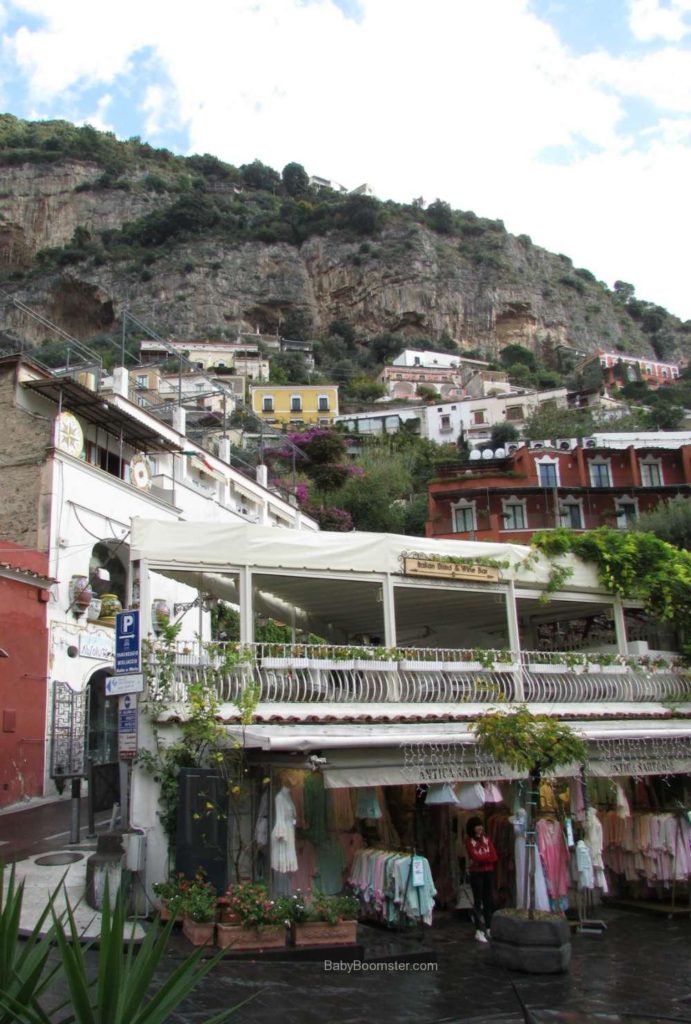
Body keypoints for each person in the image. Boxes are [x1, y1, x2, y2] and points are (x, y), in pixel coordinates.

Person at [464, 816, 498, 943]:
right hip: (476, 874)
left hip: (488, 872)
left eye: (481, 825)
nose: (480, 828)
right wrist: (484, 858)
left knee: (488, 900)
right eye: (477, 826)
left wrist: (482, 859)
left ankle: (488, 927)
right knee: (478, 901)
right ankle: (479, 930)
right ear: (472, 828)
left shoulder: (487, 839)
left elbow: (494, 856)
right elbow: (474, 856)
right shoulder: (468, 841)